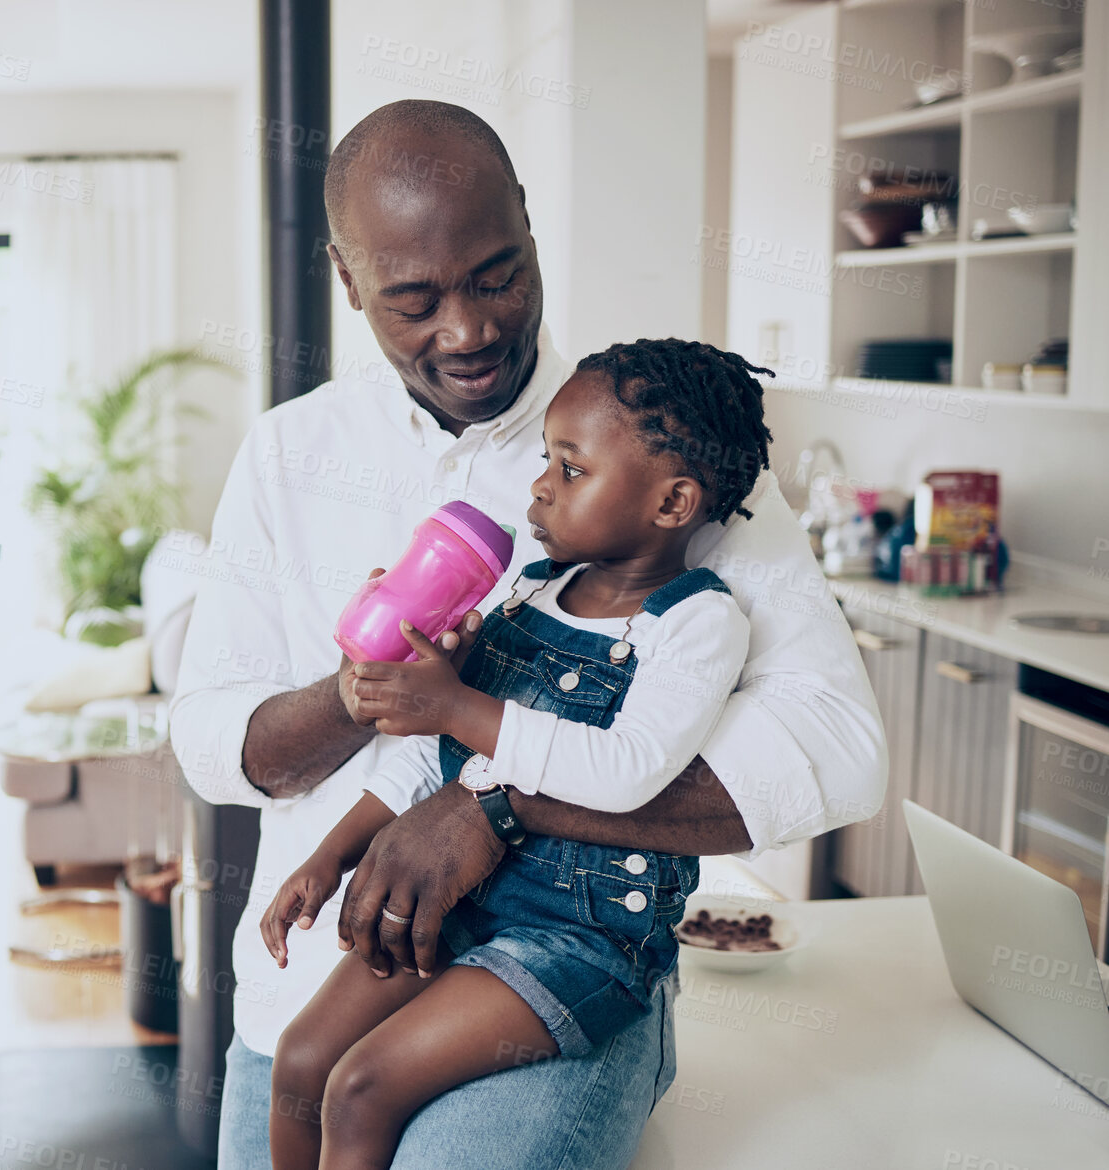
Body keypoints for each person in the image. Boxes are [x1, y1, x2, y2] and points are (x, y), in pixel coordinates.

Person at [169, 99, 886, 1170]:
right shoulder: (286, 455)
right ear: (348, 278)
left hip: (553, 974)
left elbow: (839, 748)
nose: (467, 331)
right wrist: (365, 689)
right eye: (412, 299)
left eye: (497, 275)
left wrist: (496, 807)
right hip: (315, 981)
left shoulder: (650, 439)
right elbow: (213, 744)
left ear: (530, 230)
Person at [262, 339, 769, 1169]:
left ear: (673, 502)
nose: (539, 485)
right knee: (304, 1063)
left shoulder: (696, 623)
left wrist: (458, 702)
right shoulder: (531, 587)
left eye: (571, 469)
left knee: (361, 1086)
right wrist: (330, 854)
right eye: (546, 460)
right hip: (459, 898)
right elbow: (437, 766)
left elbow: (630, 770)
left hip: (578, 937)